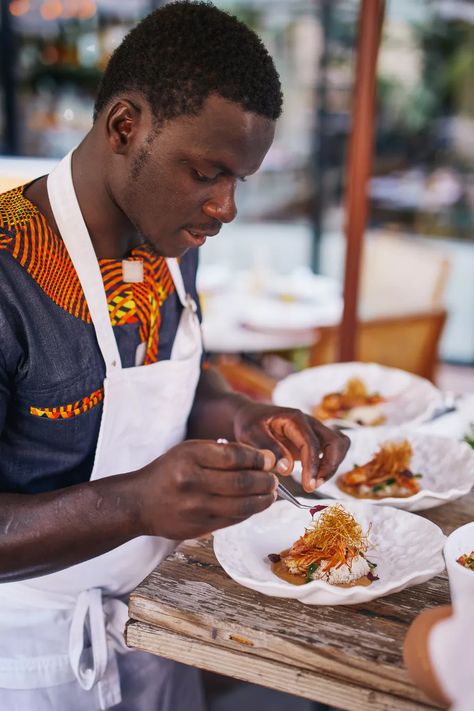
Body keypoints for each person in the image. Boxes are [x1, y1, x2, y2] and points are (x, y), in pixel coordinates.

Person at [0, 2, 349, 709]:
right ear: (125, 127)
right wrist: (135, 502)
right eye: (206, 172)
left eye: (238, 182)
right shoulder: (10, 276)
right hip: (33, 659)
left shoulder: (169, 237)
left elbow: (181, 375)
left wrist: (242, 412)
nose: (225, 208)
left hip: (161, 622)